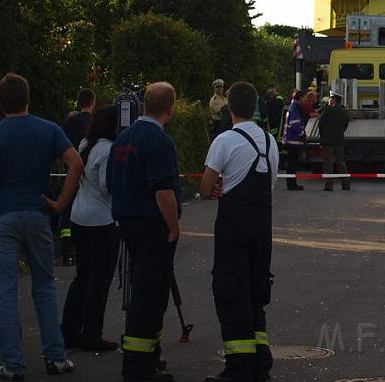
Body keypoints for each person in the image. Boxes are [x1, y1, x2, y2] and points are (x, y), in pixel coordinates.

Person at [0, 73, 83, 380]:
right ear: (28, 97)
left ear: (1, 100)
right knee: (43, 285)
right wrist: (60, 204)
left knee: (5, 289)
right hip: (38, 212)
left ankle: (13, 365)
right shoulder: (49, 129)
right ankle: (55, 357)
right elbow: (76, 164)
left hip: (3, 217)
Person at [199, 81, 279, 382]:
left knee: (232, 294)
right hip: (263, 230)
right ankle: (261, 363)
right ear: (255, 106)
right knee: (256, 294)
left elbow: (206, 188)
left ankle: (239, 368)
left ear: (228, 106)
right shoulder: (270, 142)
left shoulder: (225, 140)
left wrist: (220, 187)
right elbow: (268, 186)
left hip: (234, 229)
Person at [108, 82, 181, 382]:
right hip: (153, 226)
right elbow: (163, 190)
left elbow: (111, 183)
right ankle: (138, 367)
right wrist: (174, 226)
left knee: (142, 292)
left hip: (127, 223)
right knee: (149, 296)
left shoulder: (123, 138)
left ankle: (147, 358)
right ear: (170, 108)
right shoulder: (158, 141)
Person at [60, 104, 120, 352]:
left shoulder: (86, 143)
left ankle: (70, 331)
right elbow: (109, 187)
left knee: (82, 276)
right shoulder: (108, 150)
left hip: (79, 216)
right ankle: (92, 334)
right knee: (100, 279)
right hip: (101, 221)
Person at [59, 87, 96, 266]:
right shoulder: (97, 122)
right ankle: (87, 249)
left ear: (78, 102)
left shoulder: (69, 123)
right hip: (92, 175)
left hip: (70, 173)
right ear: (93, 103)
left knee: (67, 211)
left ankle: (68, 252)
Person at [317, 91, 351, 191]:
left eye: (331, 98)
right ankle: (345, 184)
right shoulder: (344, 112)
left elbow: (321, 123)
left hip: (327, 140)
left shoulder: (327, 110)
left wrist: (322, 135)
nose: (329, 100)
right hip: (339, 139)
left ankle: (329, 185)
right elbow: (345, 126)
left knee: (328, 163)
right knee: (340, 162)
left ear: (334, 100)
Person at [282, 90, 306, 191]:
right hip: (294, 140)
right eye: (304, 97)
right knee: (292, 164)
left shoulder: (293, 107)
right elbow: (295, 124)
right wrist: (301, 134)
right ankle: (292, 185)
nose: (305, 99)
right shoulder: (295, 108)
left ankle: (292, 184)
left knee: (291, 164)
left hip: (291, 140)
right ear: (300, 97)